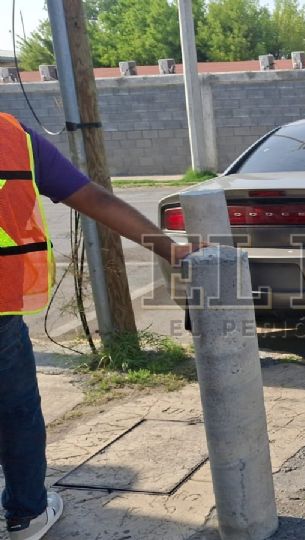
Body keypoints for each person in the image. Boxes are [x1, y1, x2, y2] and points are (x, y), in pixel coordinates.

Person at [0, 112, 195, 540]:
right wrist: (170, 250)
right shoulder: (12, 137)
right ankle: (26, 514)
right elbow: (95, 199)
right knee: (15, 415)